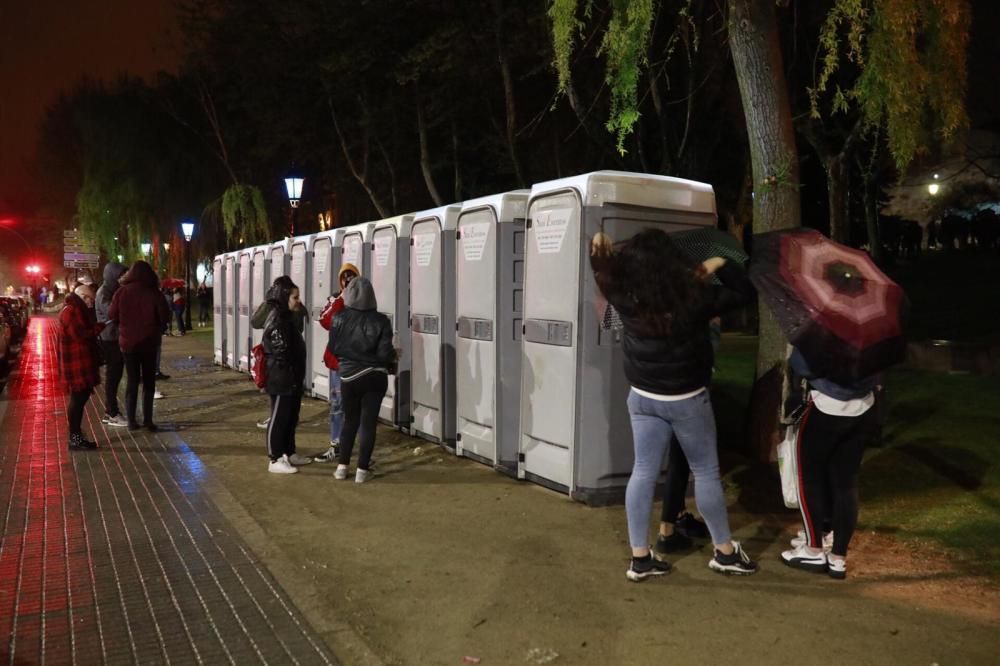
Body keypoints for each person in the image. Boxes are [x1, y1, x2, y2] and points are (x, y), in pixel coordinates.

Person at [590, 229, 758, 581]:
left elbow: (606, 274)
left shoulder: (624, 294)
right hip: (687, 400)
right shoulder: (693, 296)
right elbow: (744, 293)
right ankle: (725, 552)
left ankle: (640, 558)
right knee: (707, 473)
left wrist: (599, 255)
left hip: (643, 397)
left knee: (643, 471)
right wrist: (717, 266)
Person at [780, 348, 878, 580]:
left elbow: (800, 362)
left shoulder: (828, 323)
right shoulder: (874, 328)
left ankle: (813, 549)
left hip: (824, 403)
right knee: (847, 483)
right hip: (863, 405)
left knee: (809, 479)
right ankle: (838, 557)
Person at [329, 276, 396, 483]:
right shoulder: (382, 321)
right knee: (368, 424)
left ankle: (342, 467)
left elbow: (333, 348)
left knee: (350, 421)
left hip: (348, 376)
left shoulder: (338, 317)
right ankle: (362, 471)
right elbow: (385, 354)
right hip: (374, 377)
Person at [108, 261, 170, 431]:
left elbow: (112, 315)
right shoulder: (154, 293)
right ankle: (148, 421)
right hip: (150, 343)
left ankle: (131, 421)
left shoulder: (121, 292)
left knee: (132, 381)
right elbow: (164, 316)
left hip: (128, 344)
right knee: (149, 382)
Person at [262, 276, 312, 473]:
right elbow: (282, 350)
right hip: (281, 377)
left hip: (290, 376)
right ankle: (275, 458)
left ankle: (289, 452)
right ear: (284, 298)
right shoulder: (278, 320)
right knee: (279, 417)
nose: (298, 301)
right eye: (295, 297)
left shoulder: (287, 317)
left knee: (291, 417)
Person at [313, 262, 360, 463]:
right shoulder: (335, 299)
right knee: (337, 405)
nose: (347, 281)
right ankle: (336, 445)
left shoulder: (363, 300)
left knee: (356, 407)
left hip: (357, 364)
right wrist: (340, 299)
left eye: (351, 277)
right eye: (344, 277)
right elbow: (325, 321)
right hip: (337, 364)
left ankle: (356, 449)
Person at [253, 282, 308, 430]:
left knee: (285, 401)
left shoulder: (293, 309)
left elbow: (299, 326)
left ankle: (279, 423)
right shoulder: (273, 309)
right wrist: (267, 302)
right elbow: (256, 322)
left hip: (287, 362)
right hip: (279, 362)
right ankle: (276, 419)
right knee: (279, 399)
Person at [60, 284, 102, 450]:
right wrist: (100, 327)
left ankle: (75, 435)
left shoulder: (71, 309)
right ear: (84, 297)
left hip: (77, 362)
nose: (92, 303)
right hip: (76, 364)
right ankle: (75, 437)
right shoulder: (72, 311)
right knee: (78, 400)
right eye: (91, 299)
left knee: (79, 399)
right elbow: (81, 335)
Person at [95, 262, 129, 427]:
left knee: (116, 375)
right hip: (109, 339)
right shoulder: (104, 292)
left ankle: (112, 411)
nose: (123, 277)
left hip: (117, 337)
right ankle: (111, 412)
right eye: (121, 274)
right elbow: (112, 312)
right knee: (112, 376)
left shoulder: (115, 290)